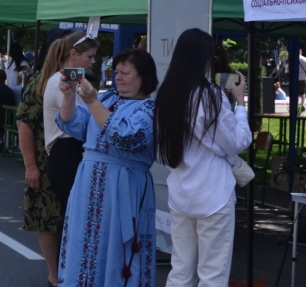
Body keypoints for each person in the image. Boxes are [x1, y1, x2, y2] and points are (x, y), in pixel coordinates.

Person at [154, 29, 251, 287]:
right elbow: (237, 141)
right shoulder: (210, 95)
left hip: (181, 192)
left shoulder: (166, 95)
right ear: (205, 58)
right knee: (212, 275)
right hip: (213, 194)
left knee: (180, 271)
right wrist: (240, 103)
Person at [56, 48, 159, 287]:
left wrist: (91, 100)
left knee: (116, 247)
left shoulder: (149, 109)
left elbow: (125, 138)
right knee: (83, 242)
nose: (118, 77)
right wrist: (69, 96)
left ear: (144, 77)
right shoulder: (108, 98)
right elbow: (71, 124)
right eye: (117, 72)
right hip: (89, 184)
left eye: (126, 73)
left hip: (122, 186)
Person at [16, 27, 68, 287]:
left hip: (63, 160)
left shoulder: (72, 79)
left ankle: (63, 272)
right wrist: (31, 166)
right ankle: (54, 276)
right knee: (48, 218)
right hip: (45, 161)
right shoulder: (42, 81)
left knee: (59, 218)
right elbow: (24, 123)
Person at [42, 31, 98, 224]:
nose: (93, 62)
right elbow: (77, 122)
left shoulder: (71, 80)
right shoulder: (60, 82)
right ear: (73, 54)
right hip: (66, 150)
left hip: (70, 150)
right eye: (89, 56)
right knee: (72, 218)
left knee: (75, 217)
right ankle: (64, 255)